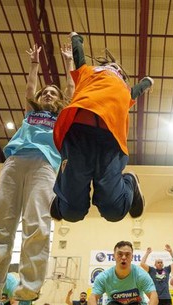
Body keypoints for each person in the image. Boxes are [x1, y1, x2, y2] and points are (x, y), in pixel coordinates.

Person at [0, 44, 74, 305]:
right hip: (14, 163)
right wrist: (33, 64)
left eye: (53, 94)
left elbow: (70, 88)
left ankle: (25, 303)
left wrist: (68, 63)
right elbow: (29, 87)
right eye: (45, 93)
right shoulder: (31, 113)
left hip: (45, 167)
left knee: (37, 227)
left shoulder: (61, 116)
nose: (48, 95)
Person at [50, 32, 153, 223]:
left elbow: (136, 90)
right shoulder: (89, 73)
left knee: (115, 212)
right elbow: (79, 57)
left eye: (119, 69)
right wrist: (76, 39)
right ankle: (63, 191)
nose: (114, 69)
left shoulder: (124, 89)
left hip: (110, 142)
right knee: (71, 213)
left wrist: (147, 82)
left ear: (122, 75)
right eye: (111, 66)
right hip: (78, 136)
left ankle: (130, 181)